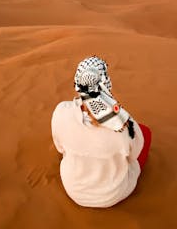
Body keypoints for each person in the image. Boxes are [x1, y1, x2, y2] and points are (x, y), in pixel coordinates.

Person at [51, 55, 152, 208]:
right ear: (106, 84)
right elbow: (133, 157)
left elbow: (60, 148)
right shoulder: (124, 124)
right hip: (114, 194)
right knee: (145, 133)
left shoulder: (61, 112)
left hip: (74, 190)